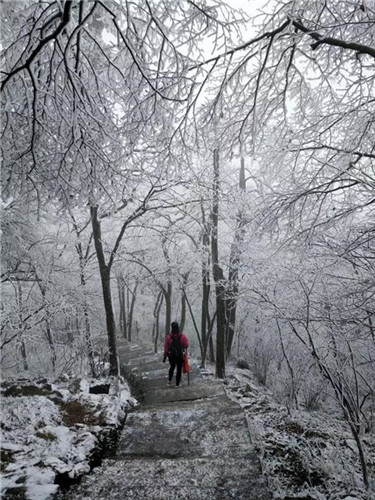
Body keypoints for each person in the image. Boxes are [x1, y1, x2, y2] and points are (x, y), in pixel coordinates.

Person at [163, 321, 189, 387]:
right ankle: (177, 383)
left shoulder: (168, 337)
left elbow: (166, 347)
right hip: (179, 355)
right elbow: (186, 345)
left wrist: (165, 356)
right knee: (179, 369)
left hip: (171, 356)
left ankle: (169, 381)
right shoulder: (182, 336)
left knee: (172, 367)